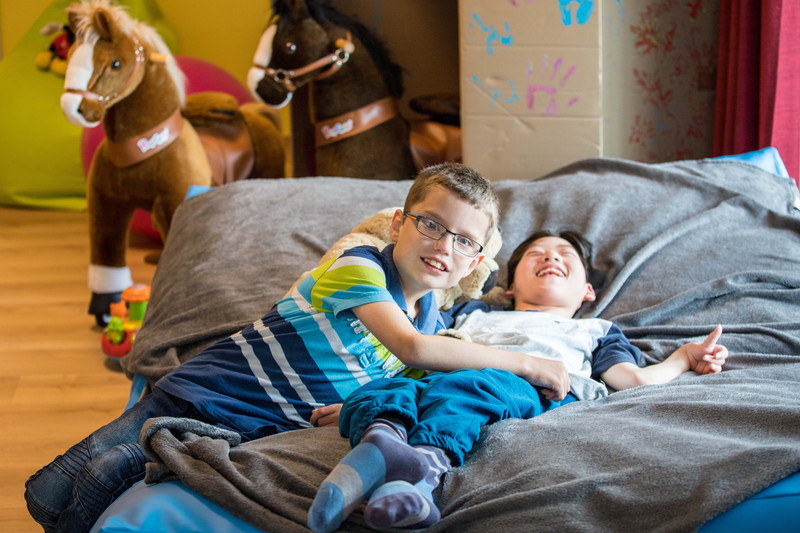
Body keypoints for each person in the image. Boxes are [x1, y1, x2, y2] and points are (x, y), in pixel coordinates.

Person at [25, 163, 573, 533]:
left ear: (476, 261)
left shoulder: (431, 313)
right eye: (431, 224)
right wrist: (526, 362)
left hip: (250, 431)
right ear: (400, 224)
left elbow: (393, 370)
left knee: (109, 486)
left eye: (463, 240)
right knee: (56, 492)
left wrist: (354, 405)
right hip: (203, 395)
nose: (443, 246)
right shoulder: (360, 266)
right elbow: (410, 349)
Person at [308, 230, 729, 533]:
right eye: (536, 255)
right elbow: (415, 351)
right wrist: (358, 402)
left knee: (476, 387)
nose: (550, 258)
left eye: (564, 254)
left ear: (586, 291)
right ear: (508, 289)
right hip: (441, 376)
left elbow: (632, 380)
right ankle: (381, 442)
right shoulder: (473, 313)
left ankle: (424, 468)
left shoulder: (595, 331)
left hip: (531, 389)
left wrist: (683, 357)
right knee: (389, 388)